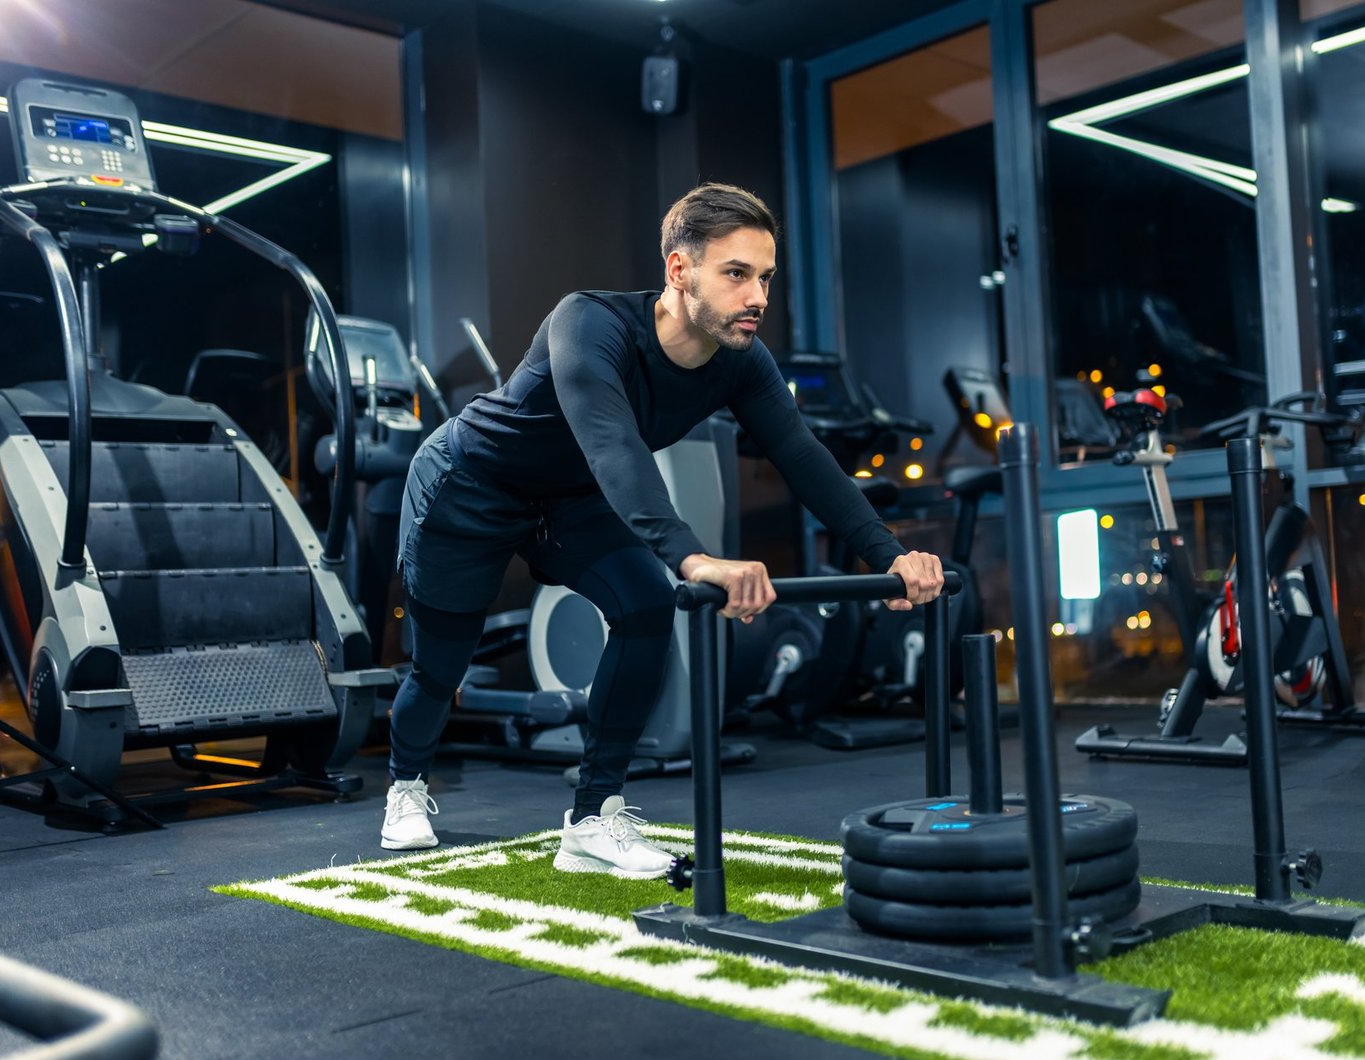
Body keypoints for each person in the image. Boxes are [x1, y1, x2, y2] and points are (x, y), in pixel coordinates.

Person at [381, 182, 945, 875]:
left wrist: (888, 555)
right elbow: (613, 445)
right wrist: (694, 559)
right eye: (736, 274)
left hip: (570, 498)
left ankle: (594, 817)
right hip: (469, 485)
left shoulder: (741, 361)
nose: (758, 297)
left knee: (647, 605)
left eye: (766, 277)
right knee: (441, 666)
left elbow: (801, 456)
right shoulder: (588, 323)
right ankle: (405, 787)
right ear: (680, 269)